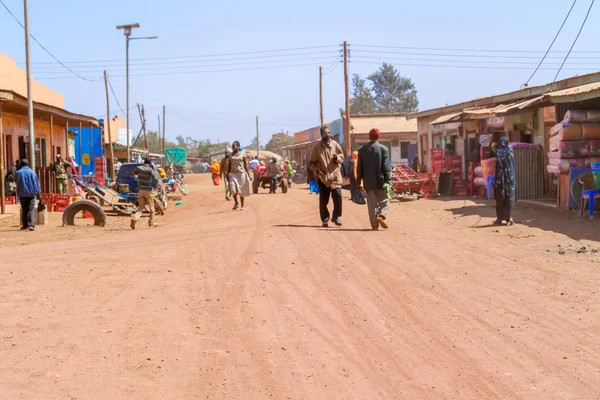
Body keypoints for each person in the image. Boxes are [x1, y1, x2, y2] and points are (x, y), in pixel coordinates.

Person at [309, 126, 344, 227]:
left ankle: (336, 217)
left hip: (335, 176)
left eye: (328, 133)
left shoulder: (335, 145)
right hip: (323, 177)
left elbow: (342, 156)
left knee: (338, 197)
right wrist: (316, 172)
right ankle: (325, 219)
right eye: (325, 133)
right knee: (323, 200)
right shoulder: (316, 147)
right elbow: (311, 162)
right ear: (321, 134)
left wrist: (337, 157)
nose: (327, 135)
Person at [357, 128, 391, 231]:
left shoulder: (362, 150)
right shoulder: (383, 149)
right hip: (381, 181)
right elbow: (386, 167)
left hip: (368, 182)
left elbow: (359, 167)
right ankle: (382, 215)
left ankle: (374, 225)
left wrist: (359, 180)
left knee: (371, 204)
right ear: (378, 136)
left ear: (369, 136)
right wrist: (388, 180)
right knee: (385, 200)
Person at [130, 158, 161, 230]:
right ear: (150, 163)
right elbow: (156, 178)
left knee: (140, 208)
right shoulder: (150, 169)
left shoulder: (139, 168)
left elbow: (134, 173)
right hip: (148, 190)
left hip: (140, 190)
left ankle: (135, 218)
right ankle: (151, 222)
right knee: (151, 207)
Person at [493, 137, 516, 226]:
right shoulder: (511, 152)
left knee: (500, 198)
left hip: (501, 179)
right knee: (510, 197)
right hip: (510, 178)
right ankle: (509, 217)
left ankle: (500, 218)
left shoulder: (499, 153)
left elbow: (498, 167)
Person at [15, 159, 41, 231]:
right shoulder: (32, 173)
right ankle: (31, 225)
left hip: (22, 194)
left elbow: (16, 182)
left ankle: (25, 225)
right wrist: (38, 193)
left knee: (24, 210)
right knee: (31, 209)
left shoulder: (18, 173)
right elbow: (36, 184)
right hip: (31, 194)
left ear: (21, 164)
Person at [227, 141, 252, 210]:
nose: (233, 148)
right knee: (233, 189)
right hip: (233, 174)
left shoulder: (242, 154)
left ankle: (242, 205)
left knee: (241, 190)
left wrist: (249, 175)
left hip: (241, 174)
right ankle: (236, 203)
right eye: (232, 146)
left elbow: (246, 165)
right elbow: (229, 165)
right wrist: (227, 174)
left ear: (238, 146)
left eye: (234, 146)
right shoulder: (230, 155)